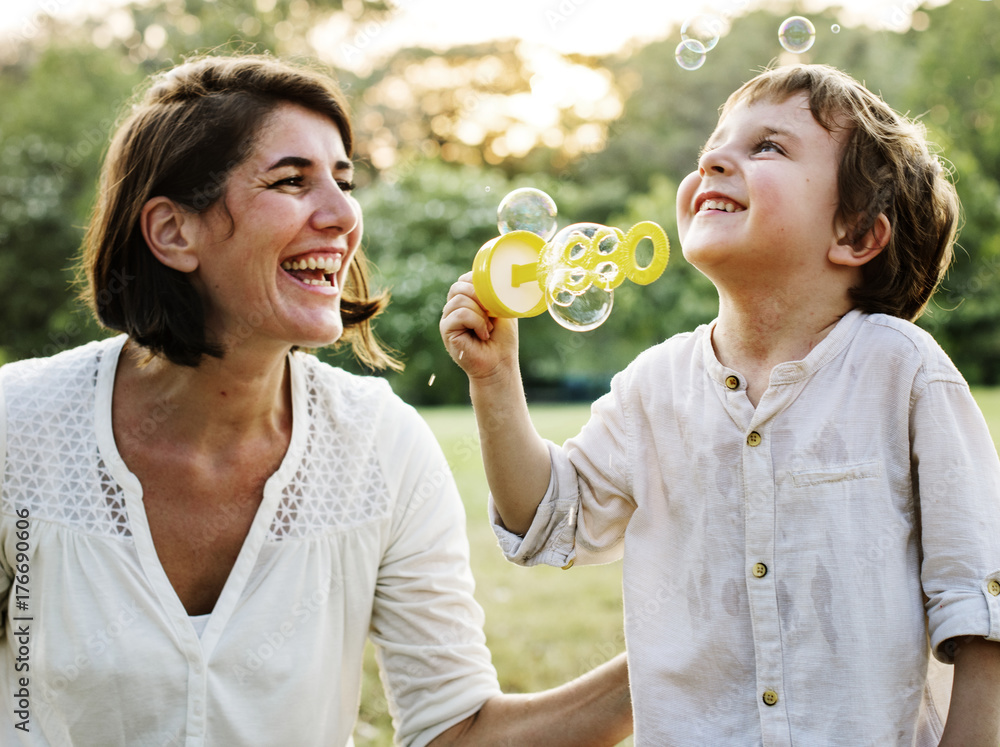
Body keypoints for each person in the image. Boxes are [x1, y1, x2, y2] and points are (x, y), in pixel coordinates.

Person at [0, 54, 633, 746]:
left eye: (344, 180)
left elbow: (458, 732)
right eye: (292, 181)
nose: (342, 215)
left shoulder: (382, 446)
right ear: (174, 232)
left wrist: (685, 652)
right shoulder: (17, 428)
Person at [441, 63, 1000, 745]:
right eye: (715, 141)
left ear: (856, 235)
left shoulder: (903, 372)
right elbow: (548, 518)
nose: (712, 158)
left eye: (767, 146)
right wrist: (495, 377)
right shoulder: (655, 385)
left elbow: (979, 606)